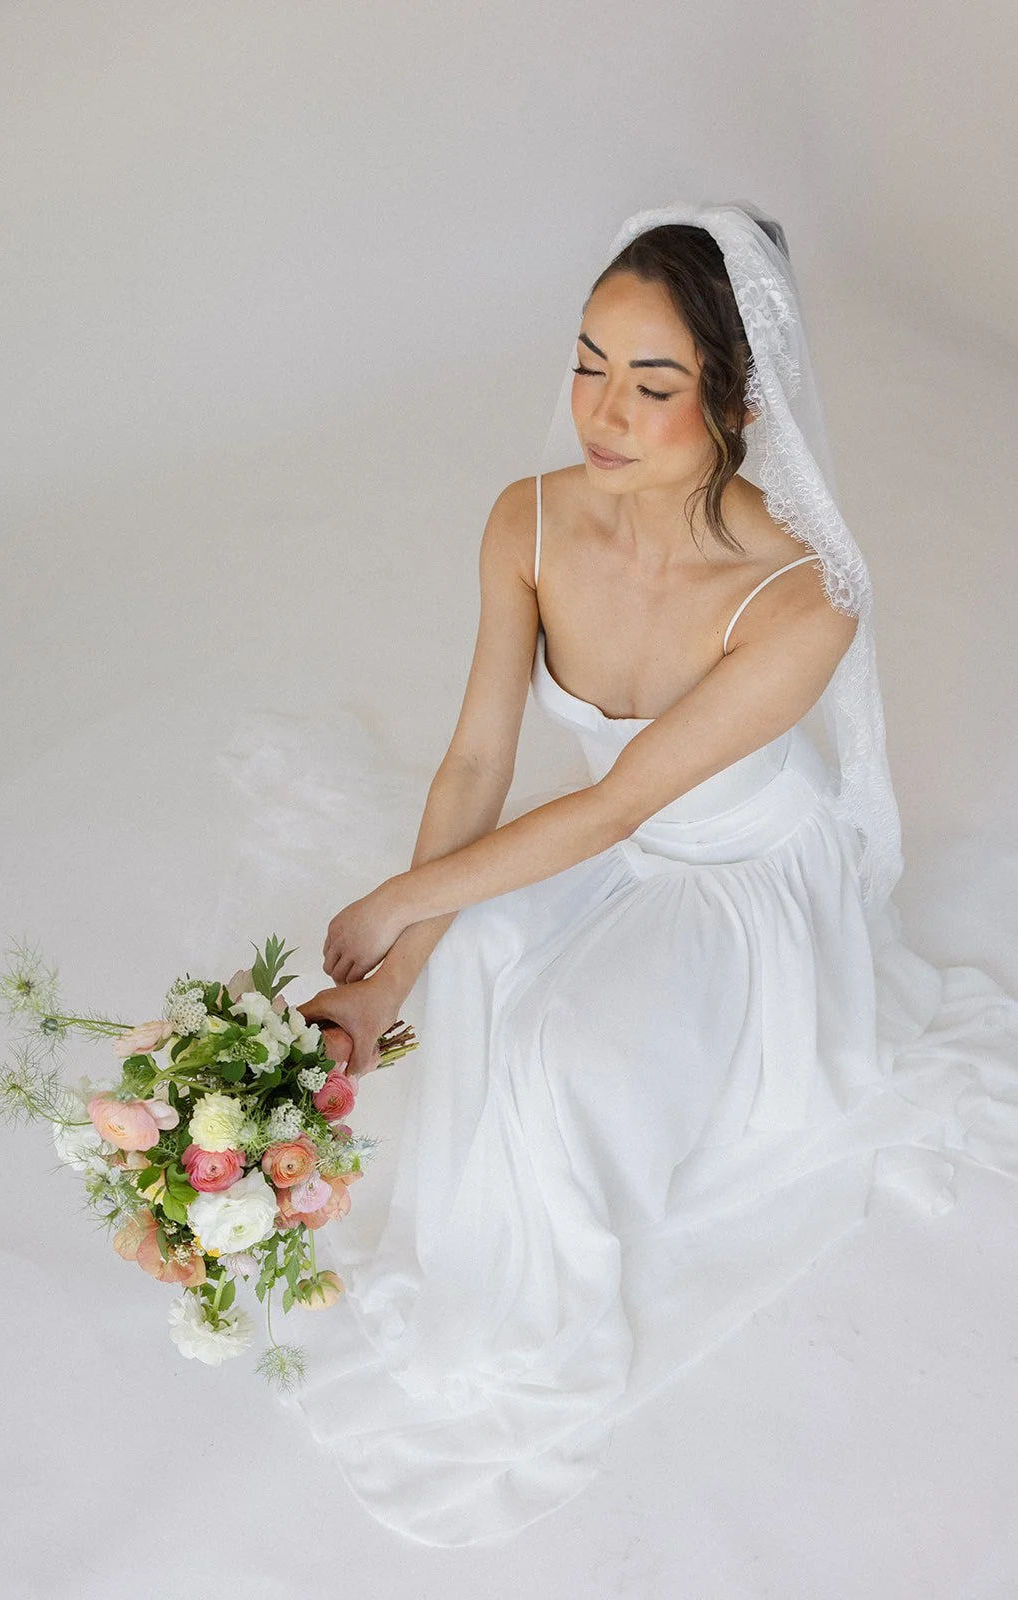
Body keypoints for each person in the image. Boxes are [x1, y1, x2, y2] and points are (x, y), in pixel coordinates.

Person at [280, 201, 1018, 1547]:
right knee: (488, 958)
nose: (602, 413)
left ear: (734, 396)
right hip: (611, 841)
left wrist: (396, 903)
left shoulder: (803, 598)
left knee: (555, 1056)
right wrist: (386, 986)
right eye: (586, 364)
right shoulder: (527, 522)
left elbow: (619, 803)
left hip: (744, 880)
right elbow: (473, 766)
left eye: (653, 383)